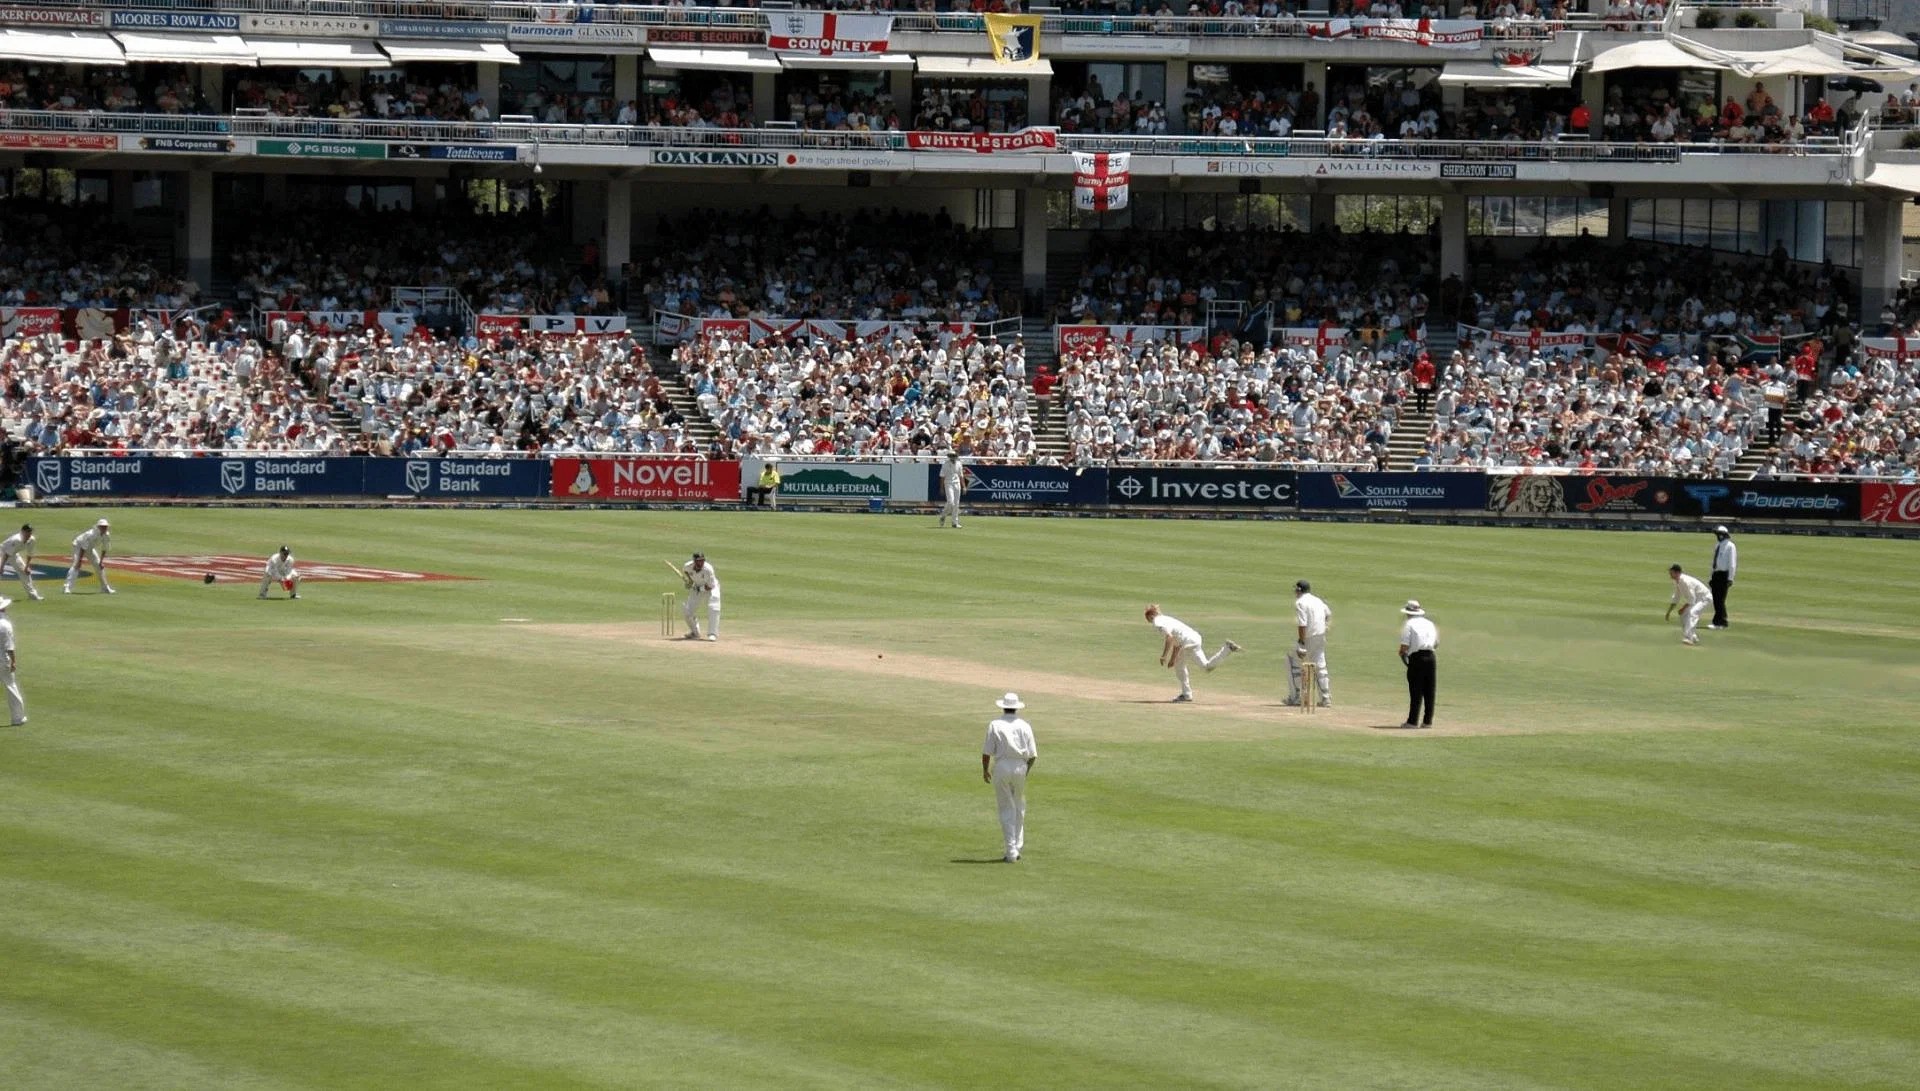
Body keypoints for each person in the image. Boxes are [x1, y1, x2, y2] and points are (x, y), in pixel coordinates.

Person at [980, 691, 1038, 863]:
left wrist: (985, 770)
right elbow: (1033, 755)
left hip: (1002, 766)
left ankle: (1011, 851)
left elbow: (986, 752)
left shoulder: (995, 724)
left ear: (1004, 707)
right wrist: (1025, 771)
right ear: (1016, 708)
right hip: (1020, 765)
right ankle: (1016, 846)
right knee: (1018, 805)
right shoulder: (1025, 725)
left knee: (1007, 807)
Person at [1145, 604, 1241, 703]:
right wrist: (1172, 659)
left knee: (1179, 667)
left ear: (1151, 616)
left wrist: (1164, 656)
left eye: (1148, 619)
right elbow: (1177, 643)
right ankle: (1227, 649)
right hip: (1195, 639)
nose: (1149, 621)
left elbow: (1169, 638)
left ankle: (1186, 695)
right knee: (1206, 667)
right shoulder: (1166, 619)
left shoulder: (1158, 622)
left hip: (1188, 643)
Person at [1286, 579, 1333, 708]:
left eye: (1295, 589)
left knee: (1292, 660)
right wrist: (1325, 627)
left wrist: (1301, 642)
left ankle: (1296, 697)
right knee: (1320, 664)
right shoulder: (1318, 600)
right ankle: (1326, 697)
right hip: (1320, 636)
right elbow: (1328, 614)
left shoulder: (1300, 602)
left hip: (1308, 638)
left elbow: (1302, 624)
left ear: (1299, 590)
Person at [1398, 600, 1438, 729]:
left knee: (1416, 690)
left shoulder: (1409, 624)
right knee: (1429, 690)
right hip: (1431, 657)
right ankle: (1427, 721)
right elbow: (1436, 643)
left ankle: (1412, 721)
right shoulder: (1430, 623)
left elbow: (1404, 646)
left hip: (1416, 658)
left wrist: (1402, 654)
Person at [64, 518, 114, 595]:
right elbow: (83, 547)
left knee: (98, 565)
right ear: (98, 527)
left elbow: (104, 548)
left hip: (89, 548)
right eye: (102, 526)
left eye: (105, 526)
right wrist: (79, 561)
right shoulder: (90, 534)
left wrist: (101, 562)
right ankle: (67, 587)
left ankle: (105, 588)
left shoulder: (106, 535)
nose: (104, 528)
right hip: (78, 546)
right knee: (76, 565)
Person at [1666, 564, 1711, 646]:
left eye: (1671, 572)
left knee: (1693, 613)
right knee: (1683, 614)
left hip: (1705, 598)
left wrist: (1683, 608)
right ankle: (1692, 636)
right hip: (1697, 599)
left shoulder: (1686, 581)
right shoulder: (1678, 581)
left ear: (1677, 573)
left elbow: (1692, 599)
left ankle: (1688, 638)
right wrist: (1669, 611)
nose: (1670, 574)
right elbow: (1676, 596)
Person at [681, 551, 721, 641]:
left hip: (711, 588)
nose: (701, 563)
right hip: (697, 587)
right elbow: (686, 572)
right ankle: (695, 633)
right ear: (694, 561)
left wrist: (699, 588)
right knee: (687, 611)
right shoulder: (687, 566)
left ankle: (712, 633)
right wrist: (690, 581)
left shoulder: (708, 569)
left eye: (702, 560)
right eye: (698, 561)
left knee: (713, 607)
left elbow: (710, 586)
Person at [0, 523, 41, 601]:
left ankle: (33, 596)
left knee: (25, 573)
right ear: (22, 531)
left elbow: (29, 554)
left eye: (30, 531)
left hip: (13, 554)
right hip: (2, 552)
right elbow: (6, 555)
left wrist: (26, 567)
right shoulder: (16, 539)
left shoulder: (31, 540)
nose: (29, 533)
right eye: (27, 531)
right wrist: (1, 567)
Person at [1709, 525, 1736, 629]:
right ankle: (1717, 621)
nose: (1718, 536)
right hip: (1716, 574)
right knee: (1715, 599)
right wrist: (1711, 576)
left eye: (1719, 534)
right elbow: (1714, 562)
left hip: (1724, 575)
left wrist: (1730, 578)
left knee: (1720, 599)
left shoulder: (1730, 546)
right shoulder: (1717, 545)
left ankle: (1722, 621)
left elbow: (1732, 563)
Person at [0, 596, 20, 726]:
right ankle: (18, 717)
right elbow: (9, 647)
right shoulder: (5, 625)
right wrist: (13, 661)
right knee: (11, 687)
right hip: (3, 660)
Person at [939, 451, 965, 528]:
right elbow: (942, 476)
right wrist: (941, 488)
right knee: (950, 502)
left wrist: (964, 486)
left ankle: (955, 522)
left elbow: (961, 475)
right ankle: (943, 516)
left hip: (957, 484)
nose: (953, 457)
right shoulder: (945, 464)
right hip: (948, 483)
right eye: (951, 456)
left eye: (954, 456)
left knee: (956, 504)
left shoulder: (959, 463)